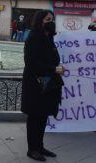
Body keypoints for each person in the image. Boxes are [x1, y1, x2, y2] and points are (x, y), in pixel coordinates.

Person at [22, 10, 66, 161]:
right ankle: (32, 149)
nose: (51, 22)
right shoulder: (34, 37)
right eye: (48, 19)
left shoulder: (49, 38)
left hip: (48, 84)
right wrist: (53, 69)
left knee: (43, 116)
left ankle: (39, 146)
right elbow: (31, 63)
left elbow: (51, 58)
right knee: (35, 117)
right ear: (40, 20)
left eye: (52, 19)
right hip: (35, 84)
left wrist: (57, 67)